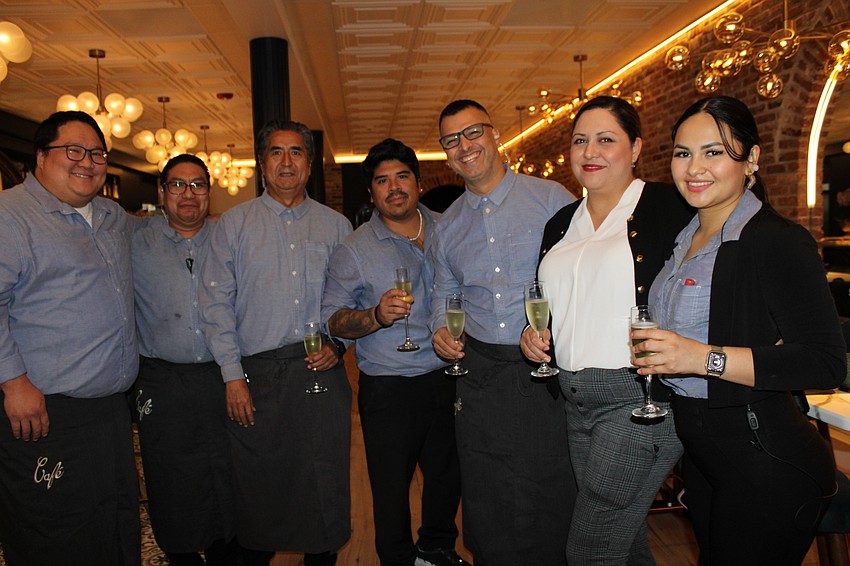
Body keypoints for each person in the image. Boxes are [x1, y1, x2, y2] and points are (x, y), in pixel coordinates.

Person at [631, 96, 845, 564]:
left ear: (751, 159)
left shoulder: (776, 240)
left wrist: (701, 357)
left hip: (766, 458)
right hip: (704, 455)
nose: (694, 168)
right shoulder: (685, 238)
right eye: (683, 153)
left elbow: (825, 362)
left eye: (714, 152)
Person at [520, 95, 693, 565]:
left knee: (590, 550)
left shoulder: (670, 207)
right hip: (575, 403)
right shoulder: (561, 222)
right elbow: (550, 301)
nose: (589, 151)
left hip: (638, 401)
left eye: (605, 140)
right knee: (626, 544)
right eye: (580, 141)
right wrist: (531, 336)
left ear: (635, 148)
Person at [429, 99, 576, 566]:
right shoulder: (447, 226)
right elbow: (444, 292)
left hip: (545, 369)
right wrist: (440, 329)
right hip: (479, 375)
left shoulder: (551, 199)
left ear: (495, 135)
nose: (464, 145)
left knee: (548, 481)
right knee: (485, 482)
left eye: (473, 132)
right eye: (451, 140)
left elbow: (580, 275)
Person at [200, 120, 353, 566]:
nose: (286, 162)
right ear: (262, 163)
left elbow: (352, 300)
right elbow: (215, 305)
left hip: (320, 373)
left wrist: (340, 344)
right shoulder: (234, 225)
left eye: (296, 152)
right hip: (256, 378)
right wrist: (233, 377)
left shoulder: (336, 226)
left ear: (310, 164)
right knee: (259, 485)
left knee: (323, 483)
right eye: (276, 152)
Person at [0, 111, 140, 565]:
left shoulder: (112, 216)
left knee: (113, 521)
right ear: (41, 157)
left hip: (109, 413)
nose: (88, 162)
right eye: (73, 151)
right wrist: (13, 383)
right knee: (54, 532)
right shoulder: (10, 216)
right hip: (44, 411)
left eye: (97, 153)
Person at [323, 138, 466, 566]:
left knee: (448, 475)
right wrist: (375, 315)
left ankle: (437, 549)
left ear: (418, 183)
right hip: (390, 386)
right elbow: (332, 318)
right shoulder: (354, 248)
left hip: (450, 373)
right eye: (383, 181)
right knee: (390, 489)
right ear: (372, 193)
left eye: (402, 176)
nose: (394, 187)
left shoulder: (450, 227)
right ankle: (398, 559)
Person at [132, 154, 237, 565]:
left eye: (198, 185)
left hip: (222, 376)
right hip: (162, 381)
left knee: (225, 471)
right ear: (161, 192)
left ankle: (227, 550)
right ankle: (181, 554)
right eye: (177, 184)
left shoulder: (229, 238)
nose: (188, 193)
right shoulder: (134, 241)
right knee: (170, 476)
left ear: (210, 192)